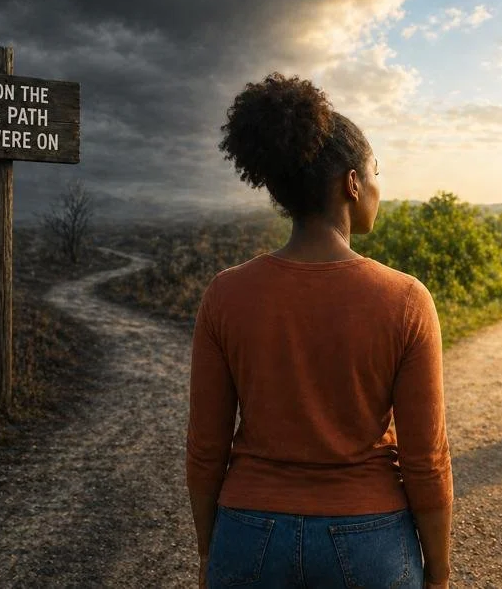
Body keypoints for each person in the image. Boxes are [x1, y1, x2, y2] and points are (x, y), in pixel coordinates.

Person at [186, 72, 453, 588]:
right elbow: (426, 460)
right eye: (376, 173)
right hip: (370, 539)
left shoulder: (226, 294)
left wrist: (209, 551)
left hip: (248, 534)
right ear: (352, 183)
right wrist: (438, 572)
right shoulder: (405, 300)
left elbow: (205, 447)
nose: (379, 187)